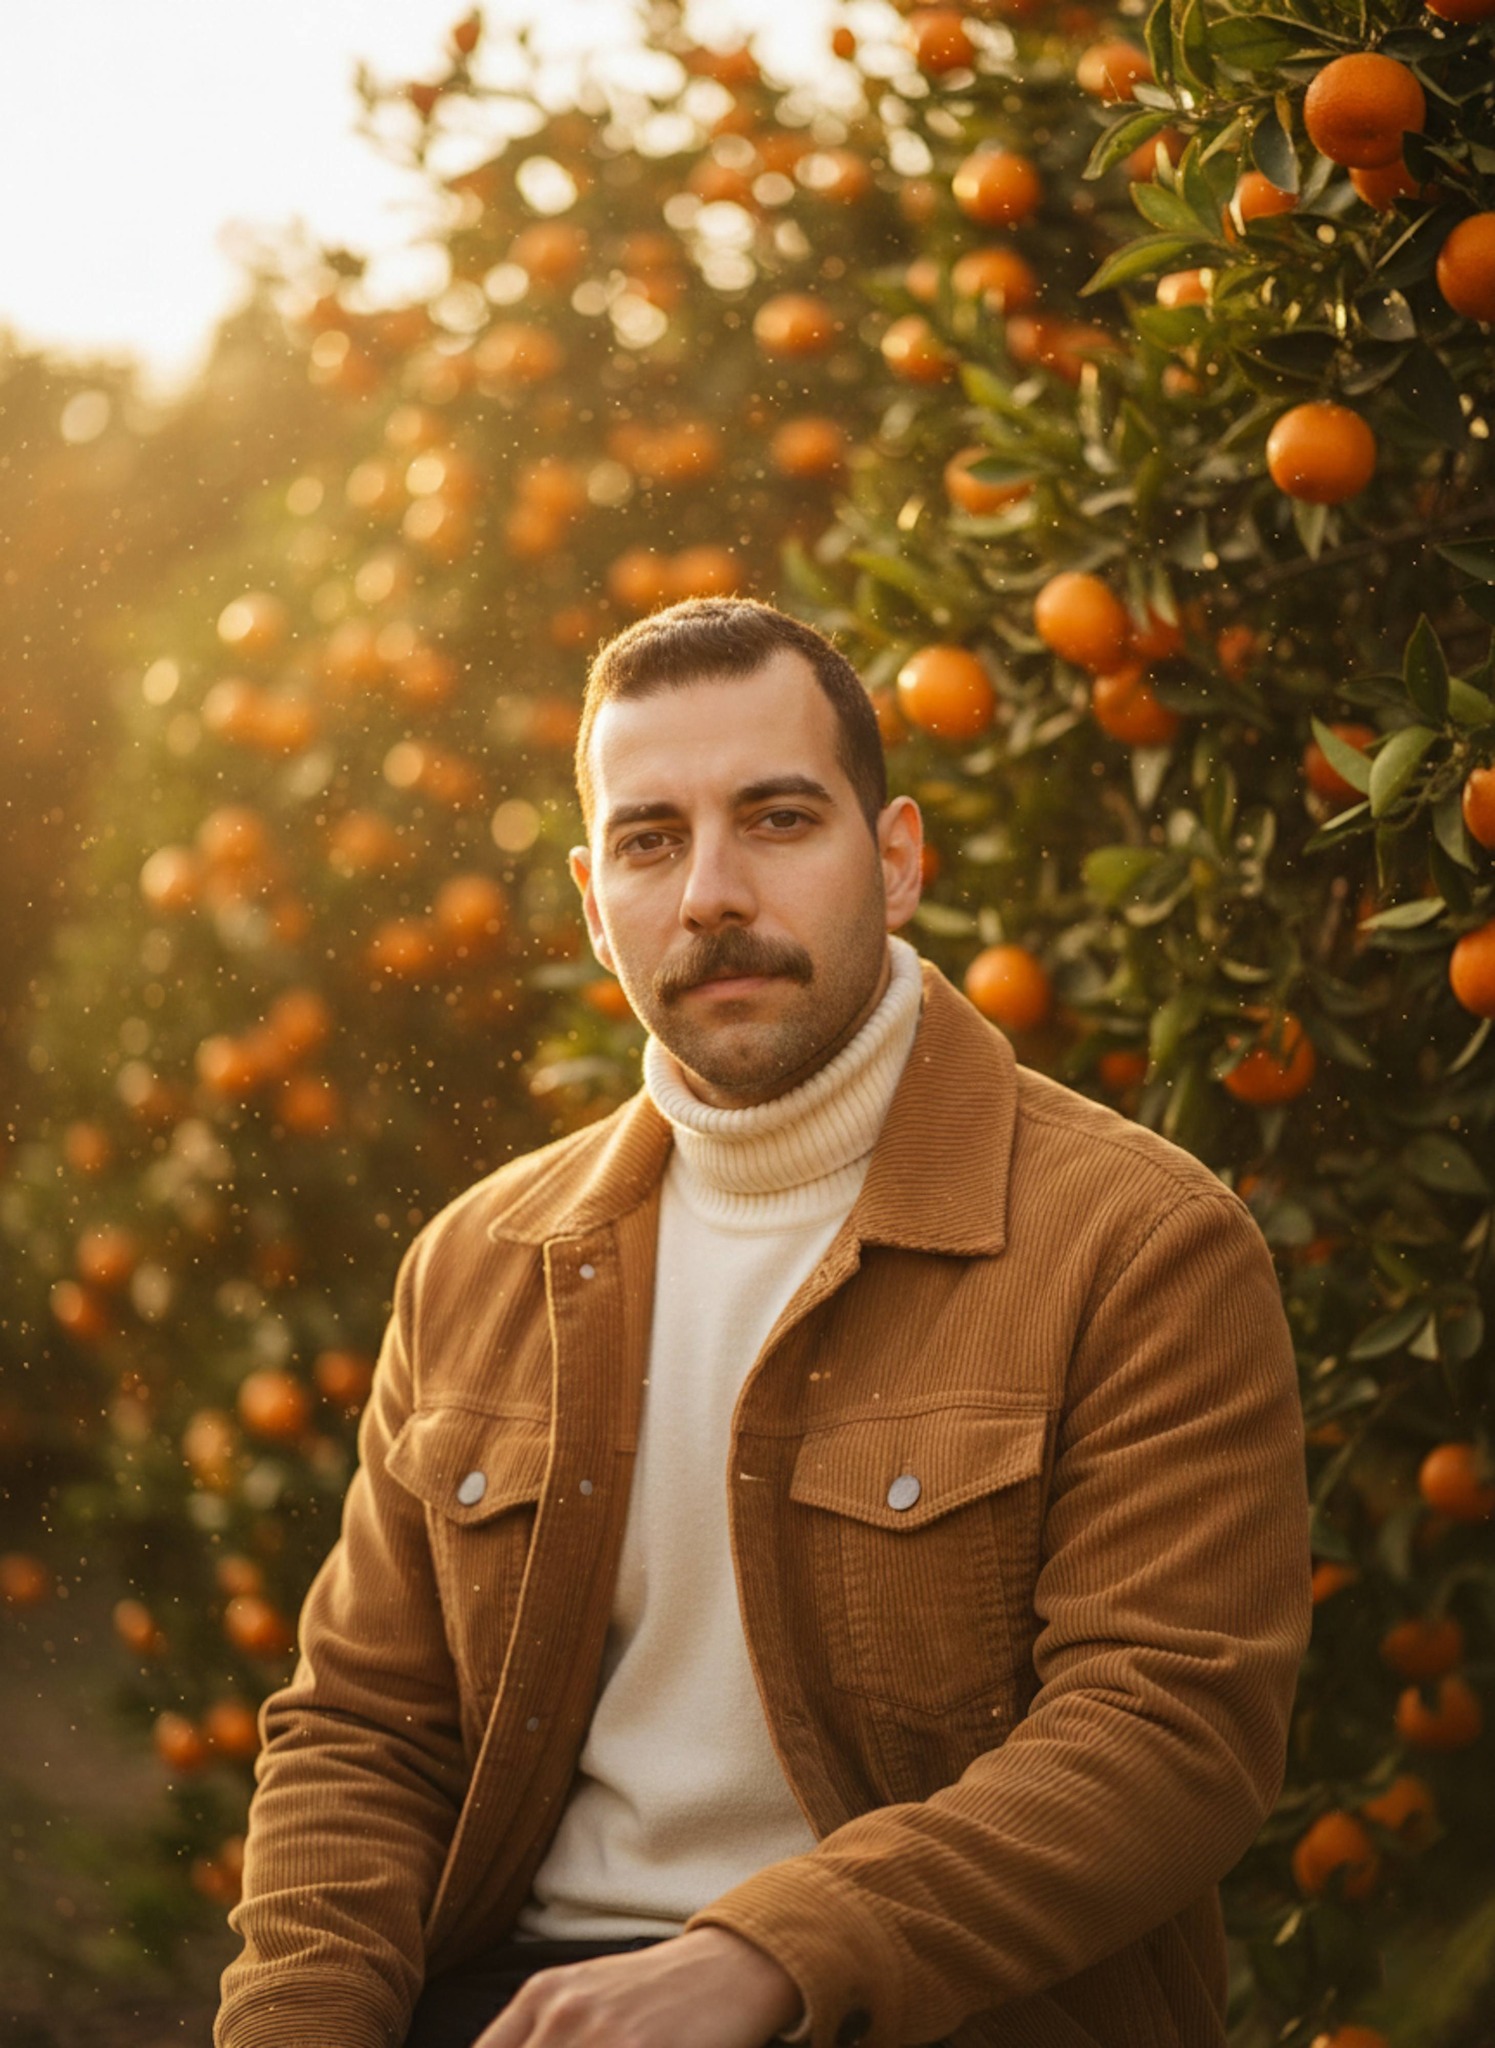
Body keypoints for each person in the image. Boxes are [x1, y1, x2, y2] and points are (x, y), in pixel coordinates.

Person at [215, 596, 1311, 2048]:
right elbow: (360, 1735)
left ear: (898, 860)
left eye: (778, 819)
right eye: (651, 839)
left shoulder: (1138, 1244)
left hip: (937, 2014)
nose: (711, 891)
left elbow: (1165, 1736)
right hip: (519, 2005)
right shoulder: (479, 1262)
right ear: (596, 905)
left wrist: (764, 1958)